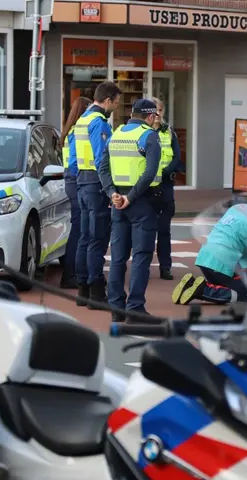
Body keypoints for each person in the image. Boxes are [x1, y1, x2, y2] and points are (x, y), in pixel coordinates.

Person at [100, 99, 162, 323]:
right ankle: (135, 308)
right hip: (141, 201)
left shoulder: (116, 134)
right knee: (141, 256)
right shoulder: (149, 136)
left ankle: (116, 307)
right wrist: (130, 197)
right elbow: (150, 172)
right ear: (150, 116)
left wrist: (112, 193)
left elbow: (102, 166)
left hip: (117, 201)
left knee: (117, 257)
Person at [172, 196, 247, 306]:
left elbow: (238, 240)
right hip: (221, 265)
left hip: (204, 258)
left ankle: (190, 284)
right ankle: (203, 290)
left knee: (231, 284)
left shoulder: (239, 207)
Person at [74, 81, 122, 308]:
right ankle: (96, 292)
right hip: (96, 184)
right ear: (108, 100)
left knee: (84, 238)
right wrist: (110, 189)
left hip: (82, 182)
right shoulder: (99, 123)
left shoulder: (82, 119)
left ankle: (82, 290)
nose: (117, 106)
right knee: (97, 239)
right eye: (116, 102)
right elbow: (102, 158)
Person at [59, 96, 92, 289]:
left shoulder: (69, 130)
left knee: (78, 228)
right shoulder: (78, 132)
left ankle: (72, 270)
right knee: (79, 230)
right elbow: (75, 162)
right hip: (77, 180)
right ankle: (70, 274)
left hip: (71, 180)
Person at [151, 97, 184, 281]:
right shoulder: (143, 132)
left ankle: (165, 267)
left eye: (160, 111)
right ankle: (144, 266)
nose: (157, 114)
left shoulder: (169, 132)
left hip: (165, 185)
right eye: (154, 110)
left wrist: (164, 173)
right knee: (146, 230)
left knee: (164, 229)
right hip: (147, 186)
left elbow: (177, 157)